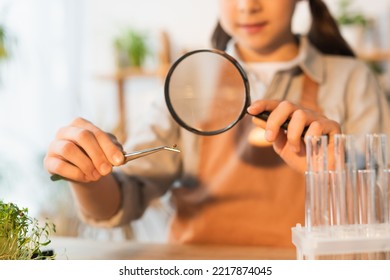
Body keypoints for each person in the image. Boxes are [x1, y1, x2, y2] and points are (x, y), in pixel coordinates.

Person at [44, 0, 390, 247]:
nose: (246, 5)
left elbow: (381, 213)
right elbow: (125, 197)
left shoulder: (353, 80)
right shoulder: (188, 83)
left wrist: (338, 170)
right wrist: (88, 177)